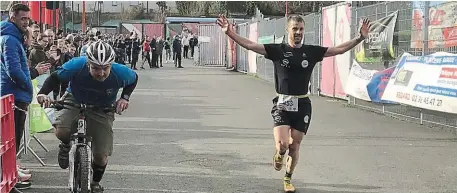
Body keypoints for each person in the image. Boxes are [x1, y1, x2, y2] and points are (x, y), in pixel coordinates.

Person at [216, 14, 371, 193]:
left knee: (294, 146)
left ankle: (288, 178)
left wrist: (360, 37)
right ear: (288, 30)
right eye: (295, 29)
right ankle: (279, 154)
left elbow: (338, 50)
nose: (298, 32)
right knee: (282, 144)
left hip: (303, 104)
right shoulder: (277, 50)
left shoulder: (311, 52)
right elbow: (250, 45)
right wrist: (230, 33)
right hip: (282, 104)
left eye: (301, 29)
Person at [36, 40, 138, 192]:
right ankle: (65, 145)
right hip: (74, 99)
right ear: (88, 63)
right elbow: (55, 78)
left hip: (103, 107)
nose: (101, 73)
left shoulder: (121, 72)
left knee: (101, 156)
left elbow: (134, 79)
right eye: (96, 68)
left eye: (105, 68)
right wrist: (42, 93)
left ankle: (95, 182)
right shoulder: (77, 65)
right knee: (62, 131)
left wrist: (125, 97)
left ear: (111, 65)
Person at [0, 3, 33, 190]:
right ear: (12, 17)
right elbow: (14, 69)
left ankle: (11, 172)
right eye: (23, 18)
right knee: (11, 139)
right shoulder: (10, 39)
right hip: (14, 94)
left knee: (12, 140)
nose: (26, 22)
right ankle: (8, 176)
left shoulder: (12, 37)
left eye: (27, 18)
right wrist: (28, 87)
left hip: (13, 93)